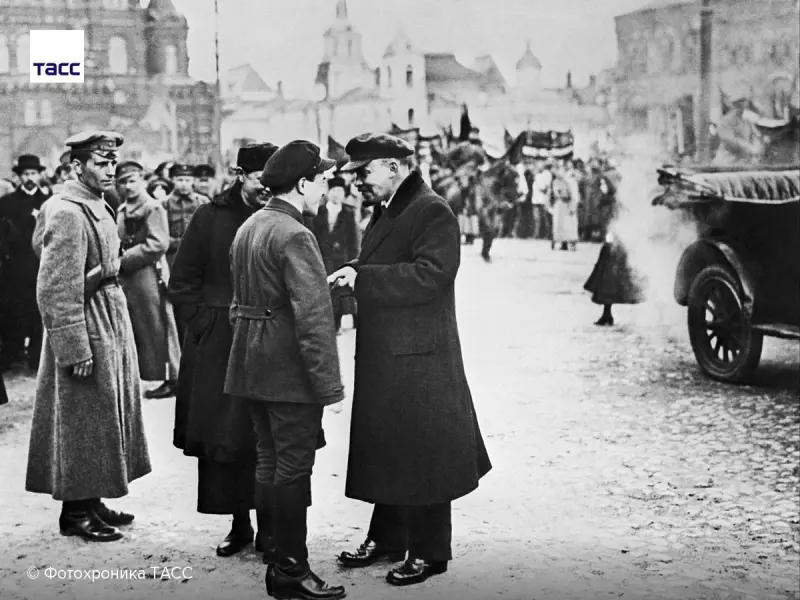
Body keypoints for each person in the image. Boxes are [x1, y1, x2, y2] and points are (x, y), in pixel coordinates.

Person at [329, 133, 491, 587]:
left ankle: (429, 551)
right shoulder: (391, 208)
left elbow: (432, 275)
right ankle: (387, 538)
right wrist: (362, 272)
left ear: (394, 167)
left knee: (424, 453)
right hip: (393, 352)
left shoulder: (430, 209)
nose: (358, 181)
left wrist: (362, 278)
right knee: (389, 446)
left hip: (421, 357)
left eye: (364, 172)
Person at [225, 141, 345, 600]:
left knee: (270, 463)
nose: (326, 187)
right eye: (322, 180)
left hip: (251, 365)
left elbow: (239, 305)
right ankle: (292, 570)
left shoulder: (252, 225)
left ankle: (277, 561)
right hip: (288, 373)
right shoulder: (296, 234)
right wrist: (329, 386)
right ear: (302, 183)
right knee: (293, 468)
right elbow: (314, 319)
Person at [25, 131, 150, 542]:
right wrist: (74, 346)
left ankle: (92, 499)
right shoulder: (66, 210)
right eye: (100, 162)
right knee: (82, 420)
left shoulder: (96, 203)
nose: (110, 169)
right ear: (77, 166)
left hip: (106, 317)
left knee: (102, 417)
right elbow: (55, 288)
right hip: (86, 323)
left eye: (113, 161)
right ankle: (75, 513)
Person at [169, 142, 278, 559]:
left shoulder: (280, 214)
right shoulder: (209, 216)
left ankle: (271, 524)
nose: (266, 188)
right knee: (226, 436)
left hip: (268, 340)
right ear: (239, 174)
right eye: (258, 180)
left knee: (266, 431)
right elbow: (182, 281)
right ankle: (239, 524)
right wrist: (203, 324)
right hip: (219, 343)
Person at [116, 160, 181, 399]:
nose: (128, 187)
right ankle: (144, 375)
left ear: (142, 180)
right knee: (136, 326)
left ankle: (171, 377)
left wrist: (124, 259)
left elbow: (158, 243)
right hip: (128, 278)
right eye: (122, 182)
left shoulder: (153, 207)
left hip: (149, 273)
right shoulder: (122, 210)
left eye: (132, 181)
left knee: (159, 324)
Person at [0, 154, 50, 371]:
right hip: (13, 268)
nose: (29, 178)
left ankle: (38, 358)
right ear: (18, 177)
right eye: (25, 174)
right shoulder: (6, 203)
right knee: (12, 311)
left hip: (40, 265)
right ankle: (12, 353)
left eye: (33, 173)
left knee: (38, 311)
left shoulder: (48, 203)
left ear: (40, 175)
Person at [163, 163, 208, 342]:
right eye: (179, 180)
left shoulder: (203, 203)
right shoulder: (164, 204)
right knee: (178, 308)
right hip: (173, 262)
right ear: (172, 180)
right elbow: (162, 237)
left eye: (187, 180)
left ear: (193, 181)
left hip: (199, 264)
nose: (183, 184)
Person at [311, 176, 360, 334]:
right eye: (334, 190)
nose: (337, 194)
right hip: (323, 258)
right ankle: (325, 323)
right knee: (324, 291)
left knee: (340, 293)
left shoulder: (348, 213)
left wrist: (353, 260)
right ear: (328, 192)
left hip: (341, 259)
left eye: (340, 191)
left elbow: (353, 240)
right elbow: (314, 234)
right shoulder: (320, 211)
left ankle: (337, 323)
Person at [714, 95, 763, 166]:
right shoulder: (725, 121)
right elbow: (731, 140)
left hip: (744, 162)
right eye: (739, 104)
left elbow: (756, 136)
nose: (742, 106)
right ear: (733, 105)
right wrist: (749, 147)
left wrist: (757, 148)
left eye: (744, 103)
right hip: (727, 161)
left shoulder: (746, 121)